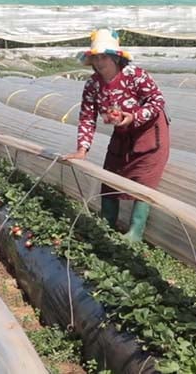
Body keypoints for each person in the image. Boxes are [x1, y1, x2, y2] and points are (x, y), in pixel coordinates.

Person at [64, 28, 170, 242]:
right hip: (123, 132)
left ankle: (134, 233)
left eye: (104, 56)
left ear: (114, 57)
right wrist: (82, 150)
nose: (100, 61)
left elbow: (157, 101)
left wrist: (133, 117)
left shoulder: (135, 76)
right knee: (111, 174)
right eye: (96, 57)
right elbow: (87, 116)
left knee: (144, 179)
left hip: (149, 131)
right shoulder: (93, 85)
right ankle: (107, 225)